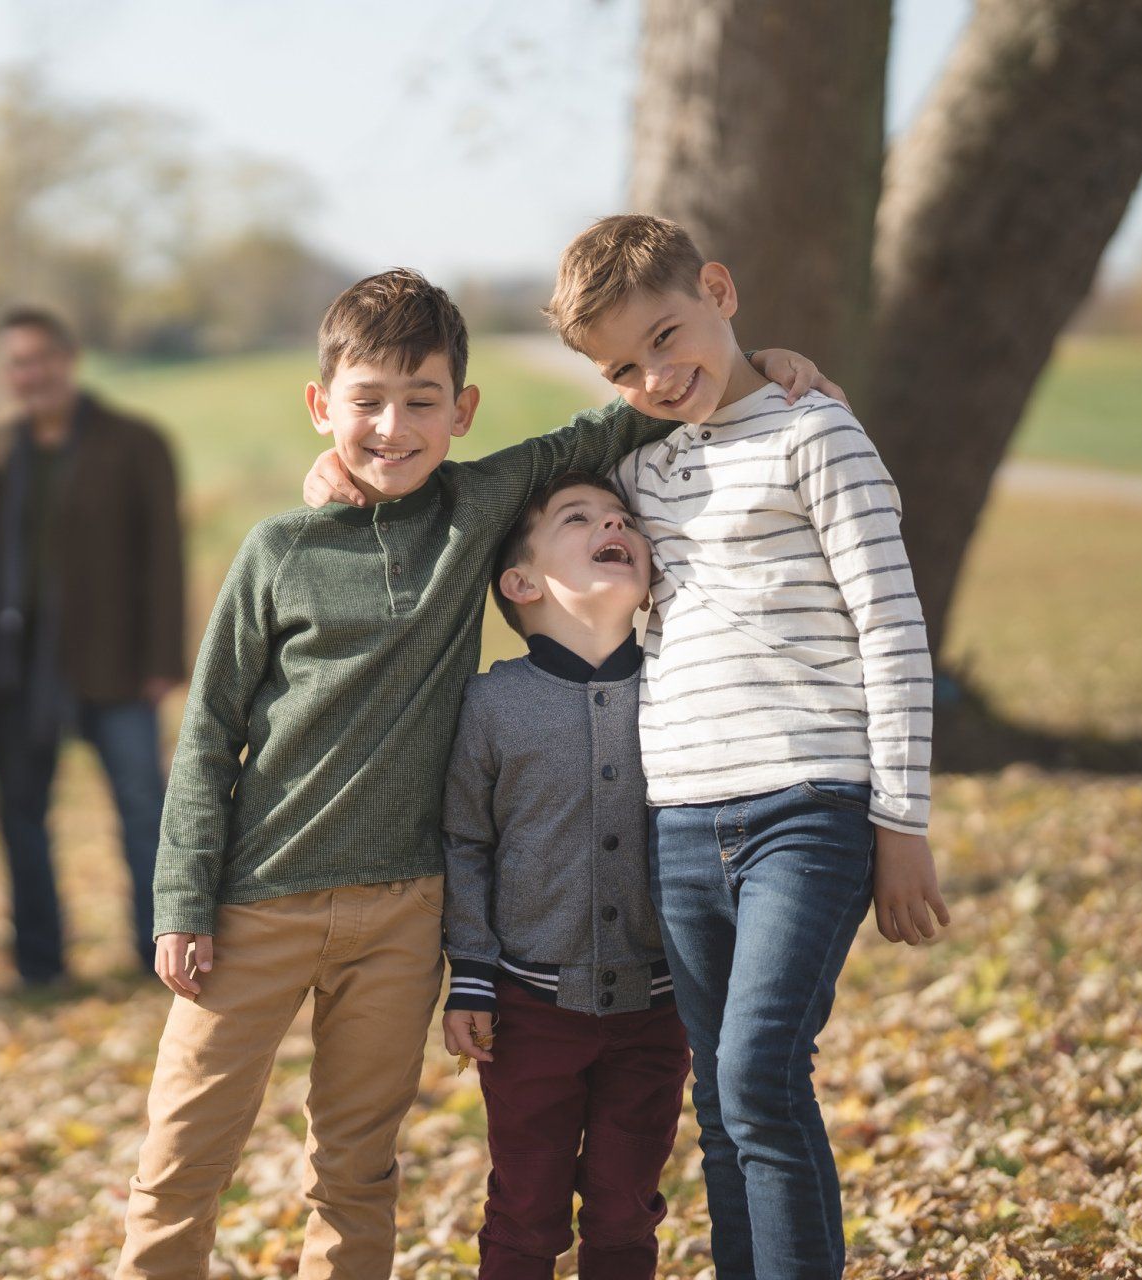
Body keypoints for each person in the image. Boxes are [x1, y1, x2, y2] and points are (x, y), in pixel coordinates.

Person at [121, 269, 821, 1277]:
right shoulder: (277, 550)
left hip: (402, 913)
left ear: (463, 410)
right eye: (367, 402)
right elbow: (208, 731)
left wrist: (761, 373)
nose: (392, 427)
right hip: (253, 903)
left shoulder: (477, 506)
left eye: (421, 402)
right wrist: (181, 895)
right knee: (185, 1152)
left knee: (357, 1163)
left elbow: (604, 429)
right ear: (324, 408)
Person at [550, 214, 951, 1278]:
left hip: (809, 807)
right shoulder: (643, 467)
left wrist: (901, 821)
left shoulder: (817, 434)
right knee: (722, 1104)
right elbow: (524, 499)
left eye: (669, 335)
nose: (656, 372)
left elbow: (894, 626)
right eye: (623, 366)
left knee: (761, 1069)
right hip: (679, 820)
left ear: (719, 289)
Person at [441, 472, 688, 1279]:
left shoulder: (681, 687)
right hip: (528, 1013)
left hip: (656, 1011)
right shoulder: (492, 703)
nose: (612, 523)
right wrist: (471, 976)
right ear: (522, 583)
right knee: (525, 1209)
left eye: (622, 518)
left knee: (626, 1212)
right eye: (579, 519)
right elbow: (465, 842)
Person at [0, 307, 184, 985]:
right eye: (17, 363)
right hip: (16, 667)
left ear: (70, 358)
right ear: (4, 374)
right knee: (22, 818)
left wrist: (162, 660)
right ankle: (41, 961)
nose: (31, 374)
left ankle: (155, 953)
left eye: (42, 358)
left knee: (141, 813)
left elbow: (164, 556)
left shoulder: (135, 441)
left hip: (115, 661)